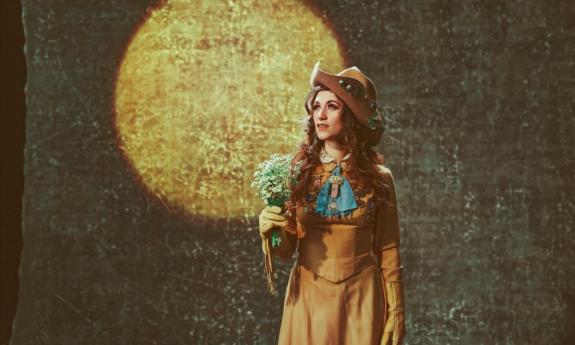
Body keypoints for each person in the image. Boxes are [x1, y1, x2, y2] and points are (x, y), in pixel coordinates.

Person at [258, 62, 406, 345]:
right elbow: (286, 249)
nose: (320, 116)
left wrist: (396, 310)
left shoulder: (380, 178)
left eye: (332, 107)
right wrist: (271, 231)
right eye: (316, 107)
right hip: (309, 296)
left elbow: (388, 248)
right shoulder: (296, 174)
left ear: (350, 116)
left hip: (363, 296)